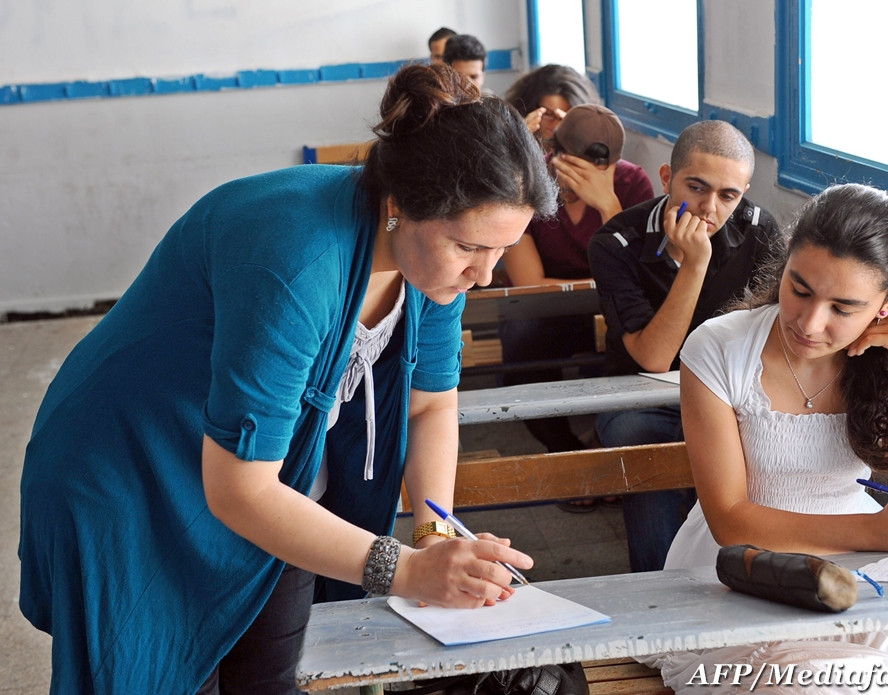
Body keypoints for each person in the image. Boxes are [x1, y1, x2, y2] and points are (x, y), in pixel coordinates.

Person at [18, 63, 556, 695]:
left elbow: (429, 404)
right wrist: (405, 571)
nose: (485, 275)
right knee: (149, 672)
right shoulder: (297, 258)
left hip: (271, 475)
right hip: (129, 473)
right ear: (402, 205)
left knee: (268, 679)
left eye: (501, 249)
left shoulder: (433, 263)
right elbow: (240, 491)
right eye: (469, 248)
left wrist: (433, 534)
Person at [644, 182, 888, 694]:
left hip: (854, 590)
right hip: (739, 580)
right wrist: (876, 532)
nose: (811, 323)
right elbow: (730, 520)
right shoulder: (719, 348)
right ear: (786, 262)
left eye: (843, 307)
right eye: (799, 289)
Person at [588, 120, 781, 569]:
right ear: (665, 178)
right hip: (638, 396)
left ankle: (746, 578)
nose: (710, 208)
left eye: (729, 195)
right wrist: (694, 266)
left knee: (761, 446)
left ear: (744, 192)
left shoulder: (758, 230)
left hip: (727, 394)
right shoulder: (617, 241)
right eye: (696, 187)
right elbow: (653, 358)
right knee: (643, 447)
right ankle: (658, 594)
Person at [499, 104, 654, 460]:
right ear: (556, 153)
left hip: (611, 302)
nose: (585, 181)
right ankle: (561, 446)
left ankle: (609, 438)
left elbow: (638, 276)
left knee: (638, 330)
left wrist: (609, 207)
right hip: (543, 307)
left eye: (602, 171)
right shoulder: (527, 177)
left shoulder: (631, 183)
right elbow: (529, 283)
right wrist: (606, 277)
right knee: (522, 336)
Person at [504, 64, 601, 152]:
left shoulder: (595, 147)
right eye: (548, 114)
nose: (556, 125)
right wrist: (519, 138)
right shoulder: (513, 139)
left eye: (566, 116)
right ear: (529, 110)